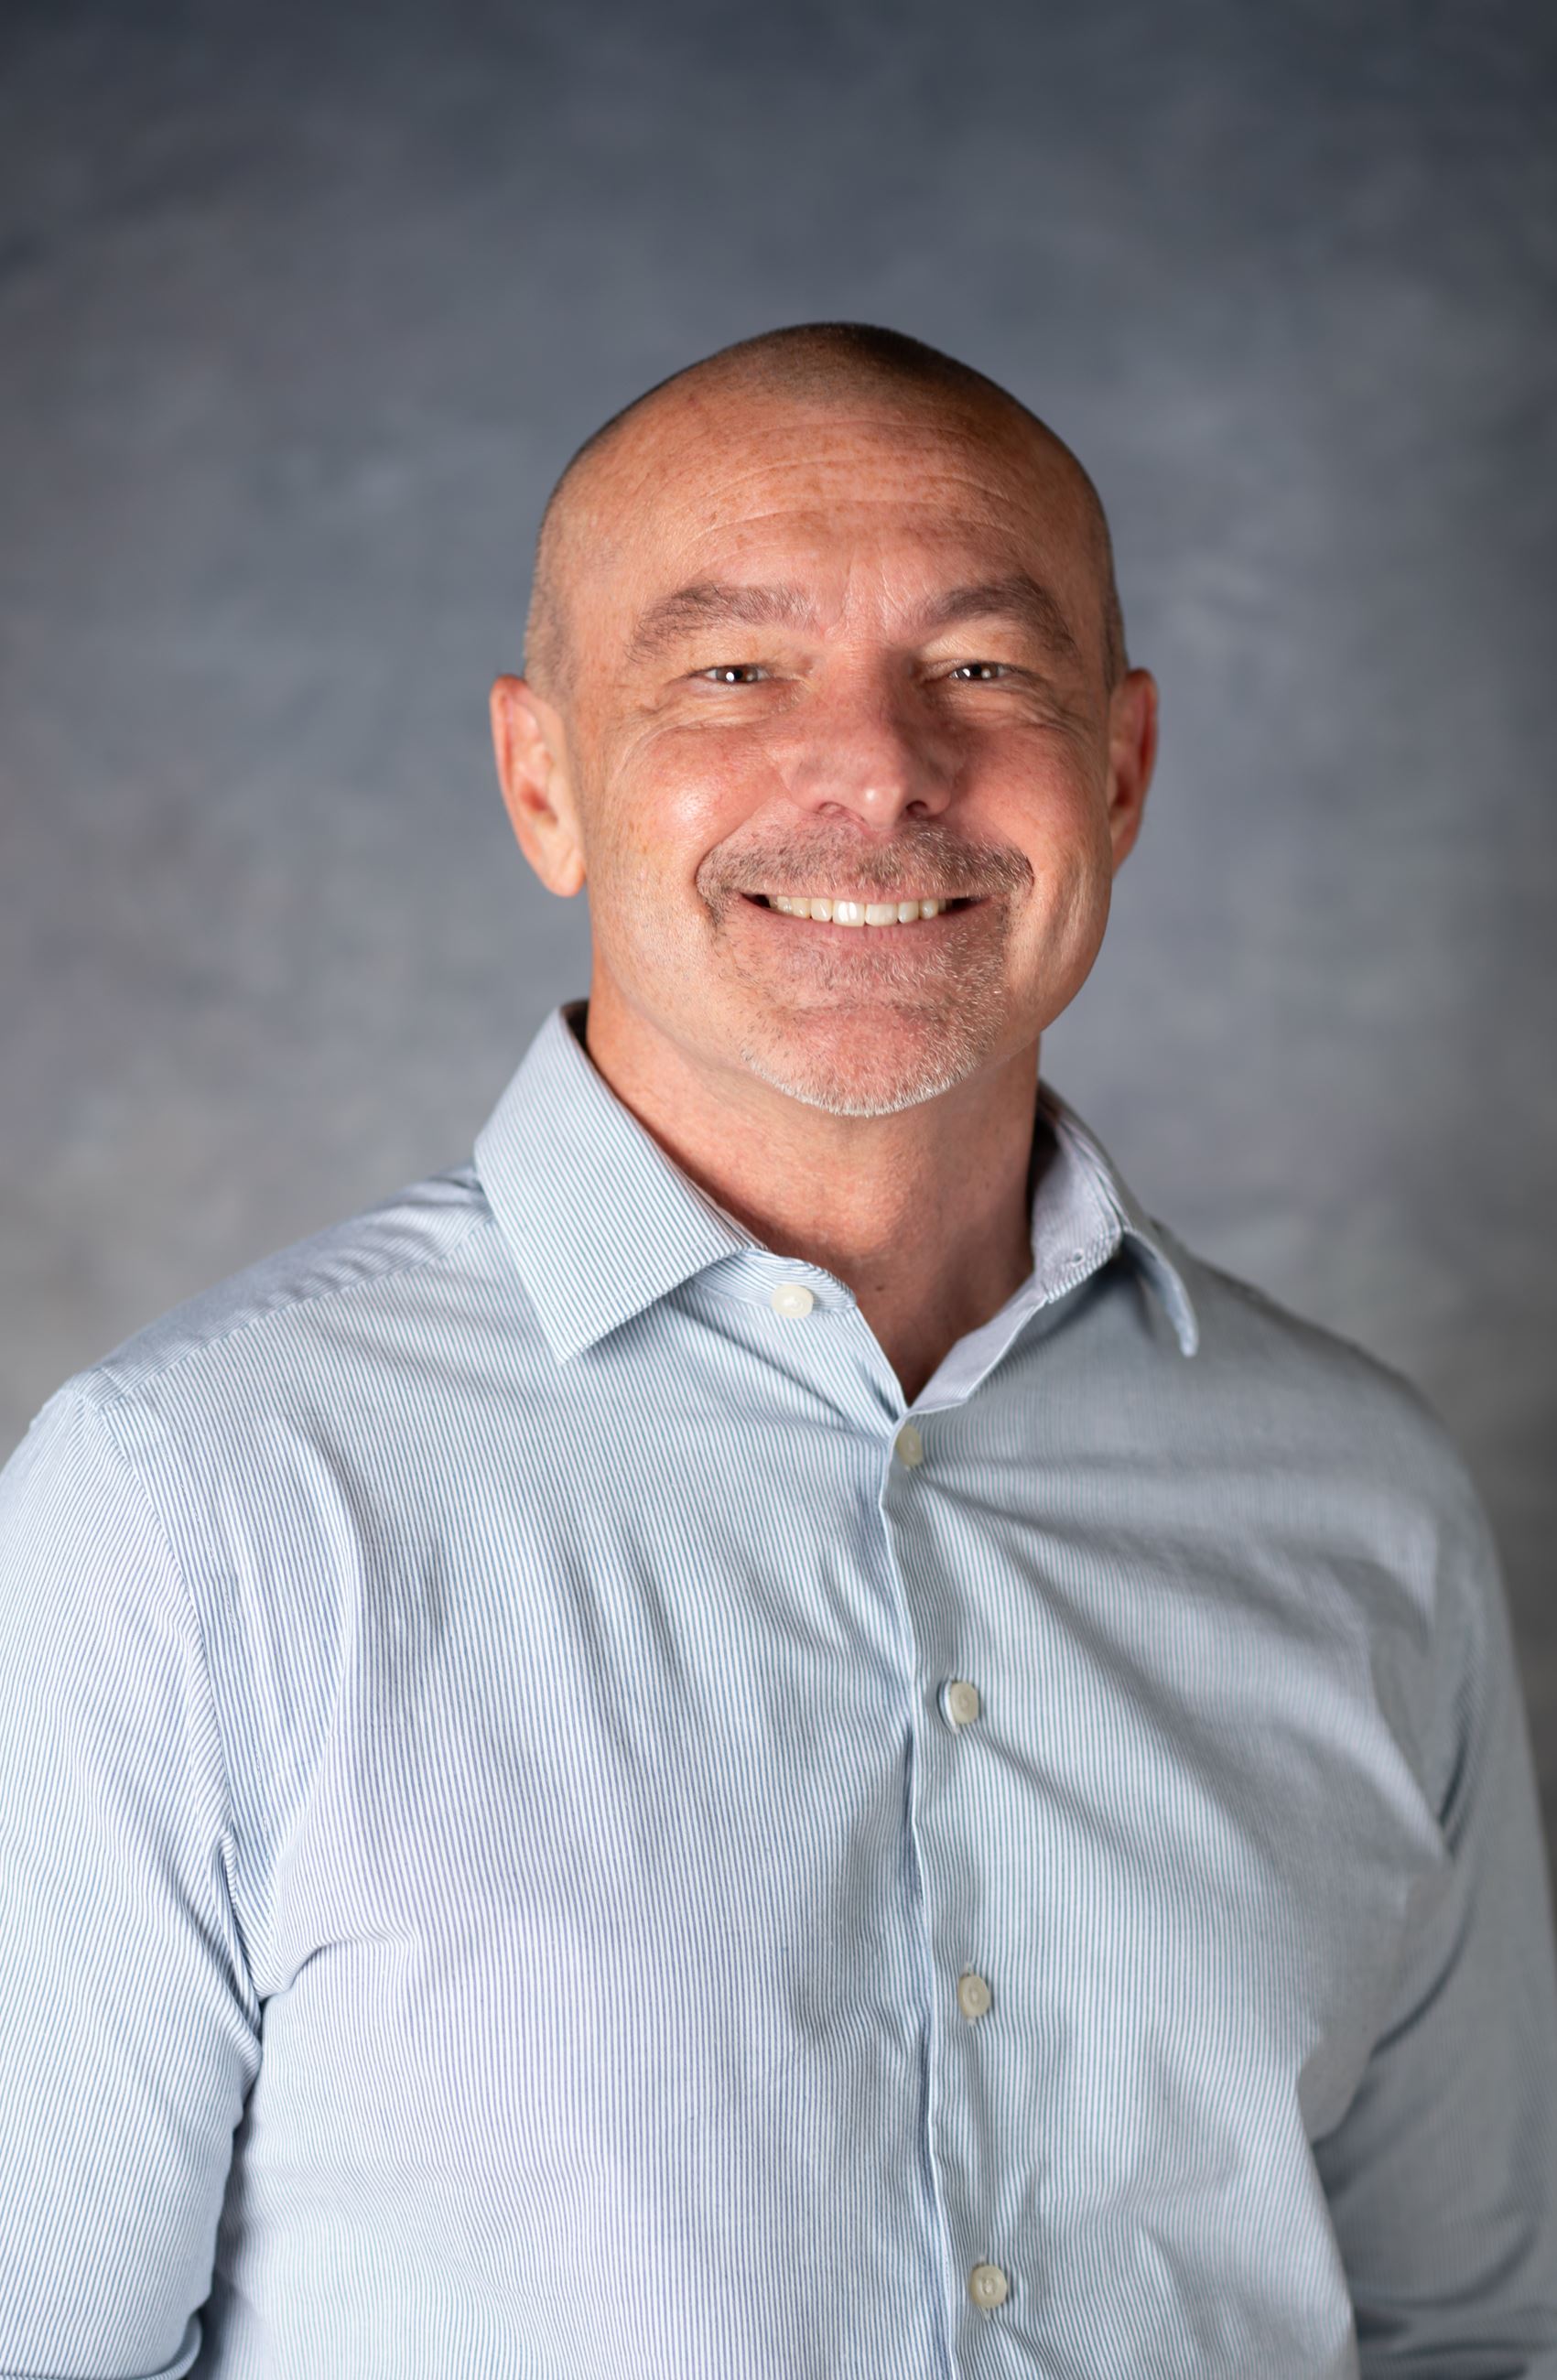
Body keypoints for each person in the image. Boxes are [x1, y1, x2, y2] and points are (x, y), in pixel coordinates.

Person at [1, 321, 1553, 2379]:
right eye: (732, 671)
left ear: (1116, 772)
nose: (878, 769)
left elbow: (1464, 2335)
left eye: (980, 668)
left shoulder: (1360, 1503)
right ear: (544, 781)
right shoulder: (186, 1505)